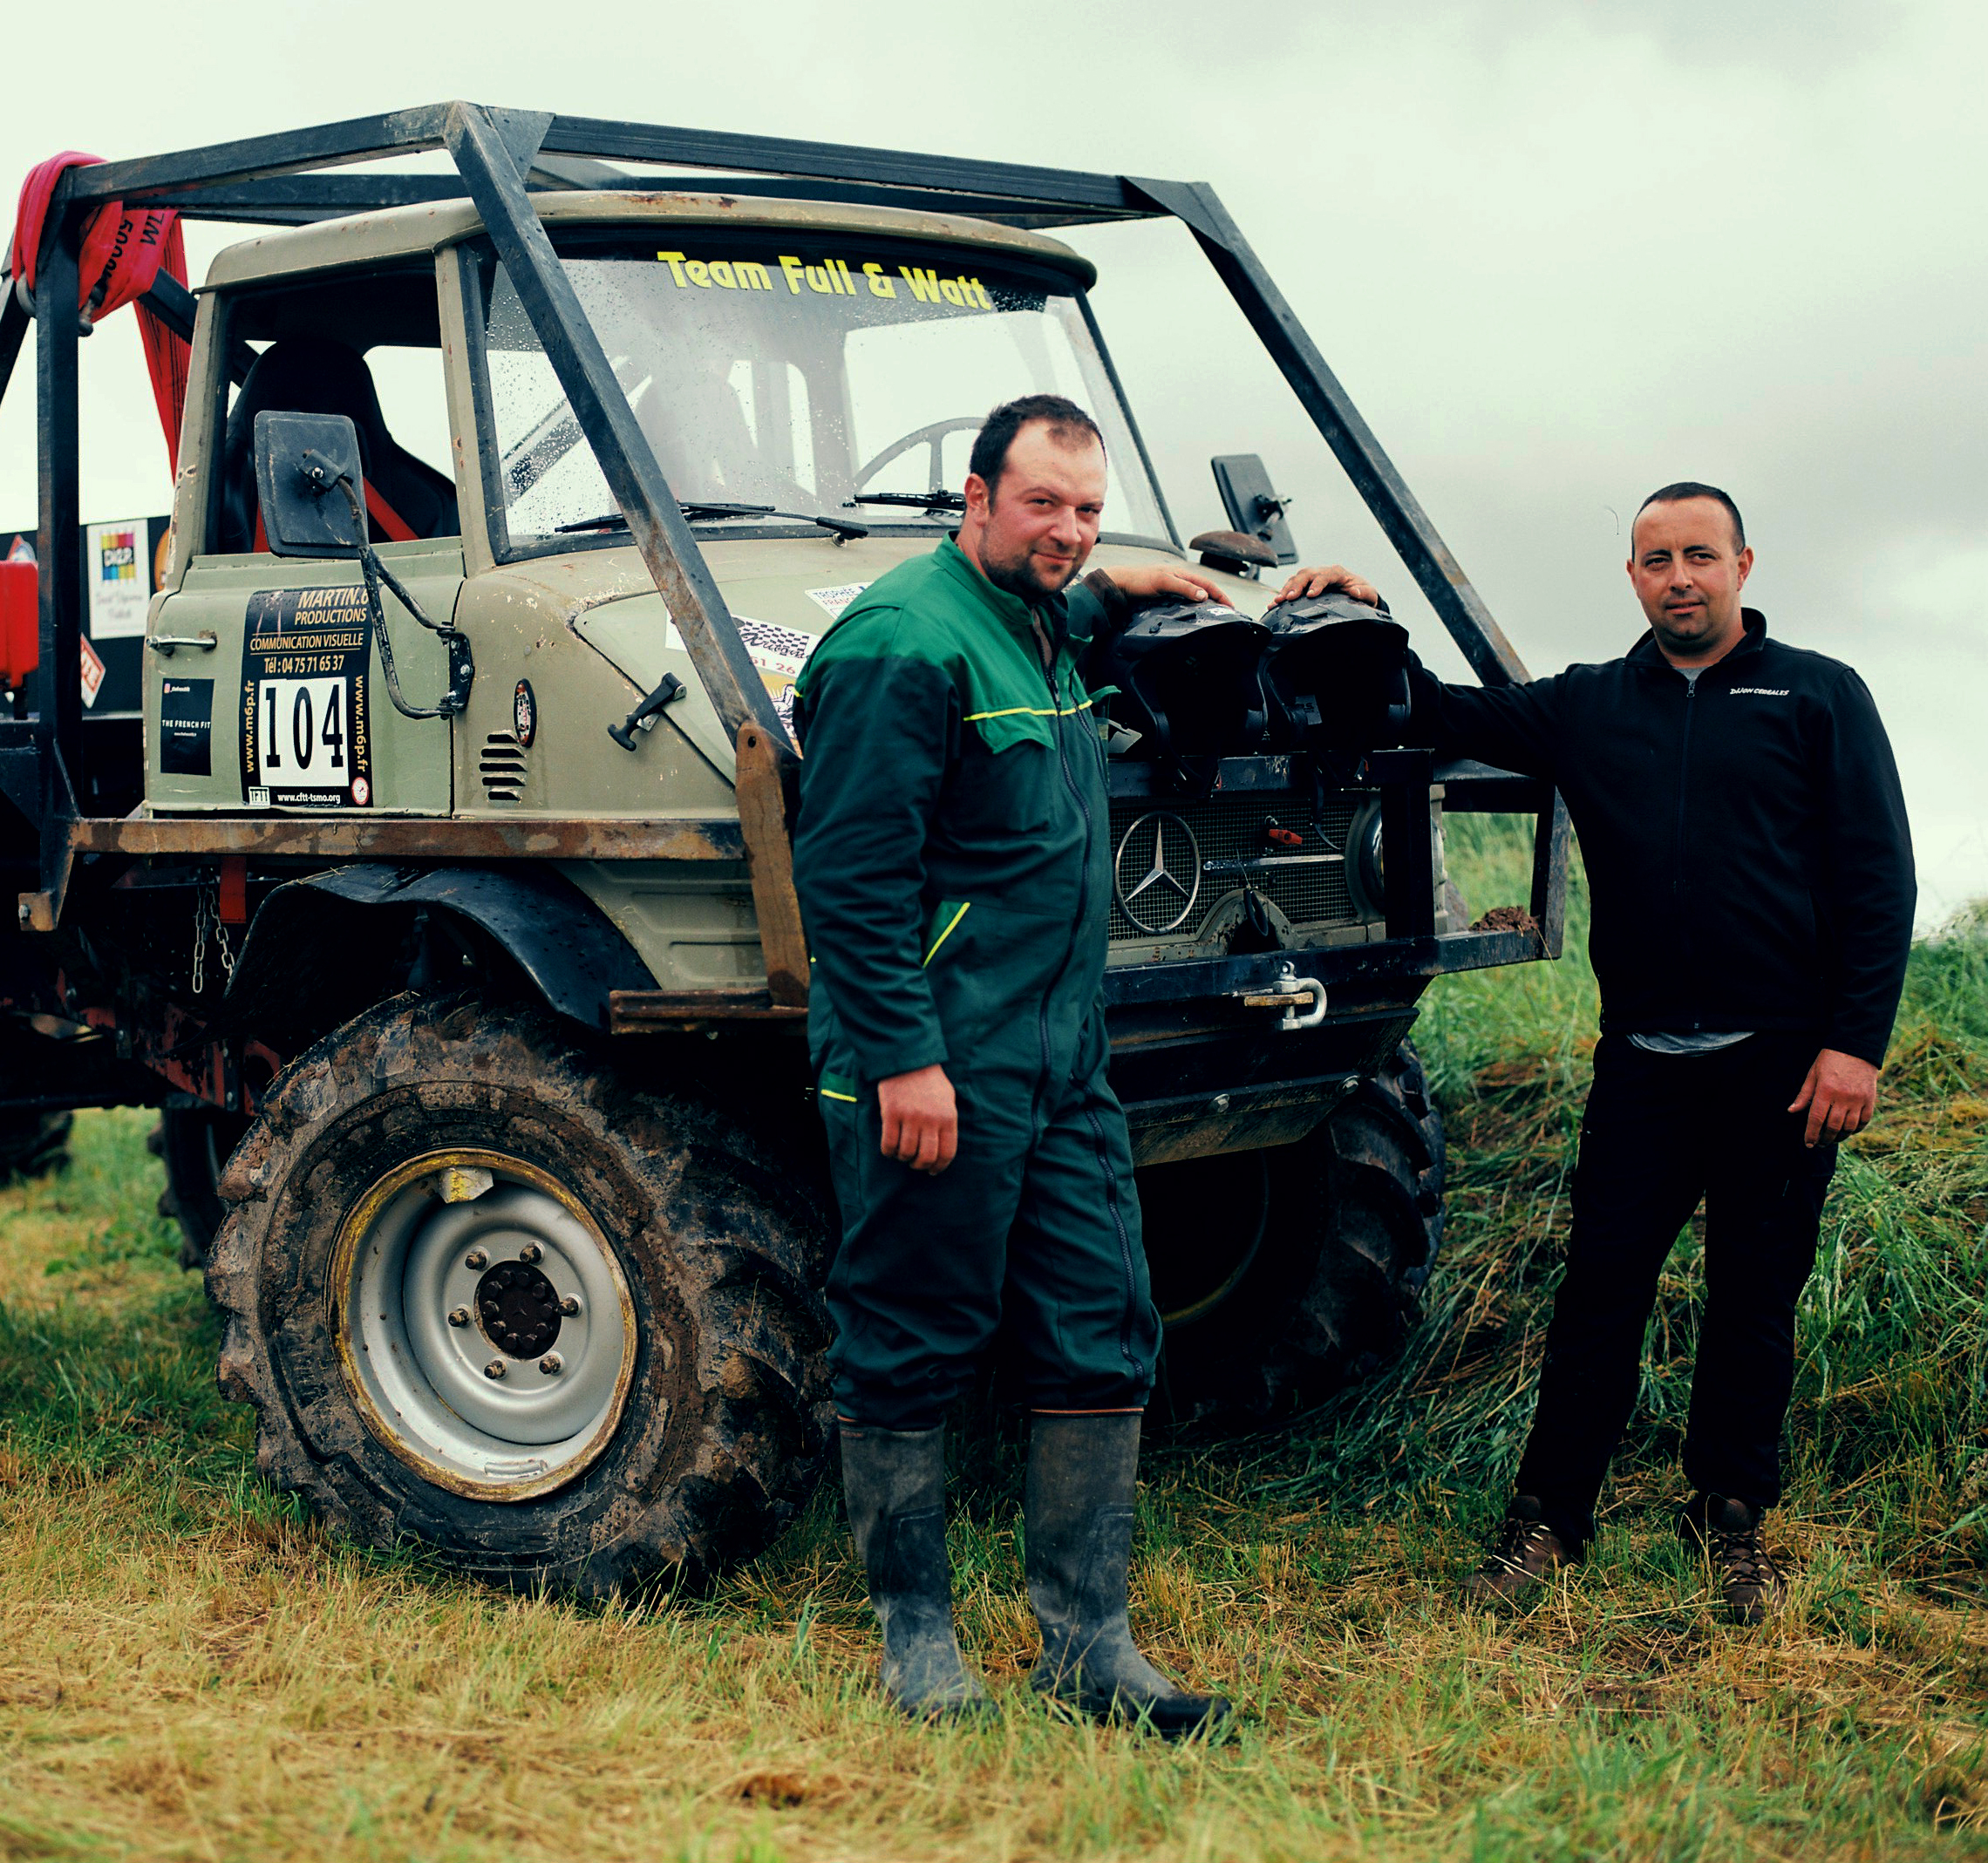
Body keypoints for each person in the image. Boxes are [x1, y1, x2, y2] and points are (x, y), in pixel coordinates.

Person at [1278, 483, 1916, 1622]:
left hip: (1780, 1065)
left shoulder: (1817, 694)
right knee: (1598, 1293)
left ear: (1742, 565)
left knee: (1752, 1296)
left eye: (1698, 556)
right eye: (1655, 560)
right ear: (1630, 577)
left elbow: (1879, 880)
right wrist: (1364, 619)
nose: (1678, 577)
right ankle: (1546, 1521)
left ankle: (1728, 1516)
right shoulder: (1588, 703)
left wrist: (1850, 1048)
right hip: (1643, 1065)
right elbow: (1433, 711)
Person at [791, 394, 1232, 1731]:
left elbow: (1073, 602)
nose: (1069, 530)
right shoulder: (900, 643)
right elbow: (849, 878)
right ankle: (915, 1641)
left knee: (1102, 1325)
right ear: (974, 498)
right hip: (937, 1062)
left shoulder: (1039, 620)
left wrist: (1126, 582)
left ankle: (1089, 1647)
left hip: (1059, 1062)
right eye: (1043, 503)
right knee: (911, 1332)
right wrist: (903, 1060)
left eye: (1087, 510)